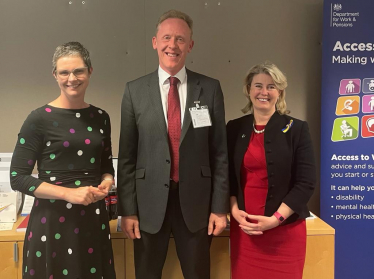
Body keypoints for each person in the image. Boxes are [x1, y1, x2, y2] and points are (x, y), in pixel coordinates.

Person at [117, 9, 229, 279]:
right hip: (147, 206)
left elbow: (220, 154)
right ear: (155, 42)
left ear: (190, 45)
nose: (173, 45)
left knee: (198, 274)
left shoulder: (210, 88)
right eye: (167, 37)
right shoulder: (134, 91)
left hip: (197, 205)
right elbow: (127, 157)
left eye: (180, 39)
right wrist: (127, 211)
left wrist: (219, 207)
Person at [10, 42, 116, 278]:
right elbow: (18, 178)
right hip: (51, 222)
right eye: (64, 72)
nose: (72, 78)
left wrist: (107, 182)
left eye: (78, 70)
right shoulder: (38, 119)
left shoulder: (101, 117)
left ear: (90, 71)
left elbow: (106, 166)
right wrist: (68, 193)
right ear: (55, 75)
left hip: (92, 219)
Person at [227, 62, 316, 279]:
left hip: (284, 232)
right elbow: (227, 176)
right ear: (249, 90)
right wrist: (234, 209)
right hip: (245, 231)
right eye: (258, 86)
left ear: (280, 92)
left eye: (271, 87)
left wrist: (276, 219)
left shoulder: (297, 129)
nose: (264, 92)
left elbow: (306, 183)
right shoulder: (234, 128)